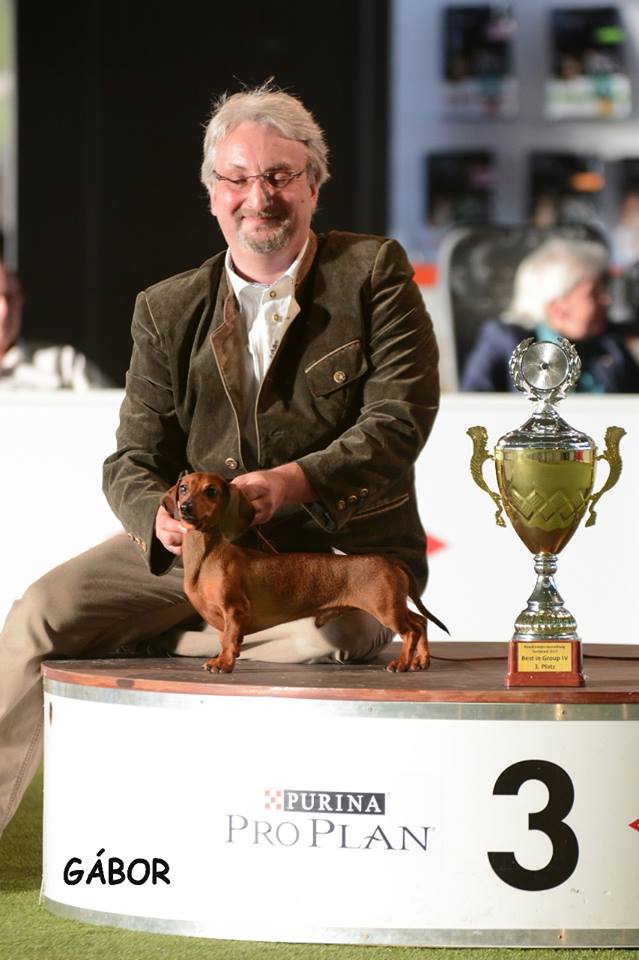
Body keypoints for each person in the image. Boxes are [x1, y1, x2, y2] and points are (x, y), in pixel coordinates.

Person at [0, 84, 440, 837]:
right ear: (212, 194)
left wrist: (294, 482)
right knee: (40, 614)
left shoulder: (373, 272)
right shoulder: (165, 307)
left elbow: (399, 420)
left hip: (331, 553)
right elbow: (131, 458)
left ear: (313, 184)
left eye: (279, 176)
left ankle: (163, 639)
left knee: (332, 641)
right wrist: (158, 519)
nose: (258, 197)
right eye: (237, 178)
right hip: (193, 549)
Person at [460, 237, 639, 392]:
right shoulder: (503, 342)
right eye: (594, 293)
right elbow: (474, 408)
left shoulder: (611, 345)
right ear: (557, 308)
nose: (605, 300)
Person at [0, 260, 112, 389]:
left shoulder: (64, 363)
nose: (4, 310)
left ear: (21, 301)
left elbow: (119, 401)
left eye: (11, 298)